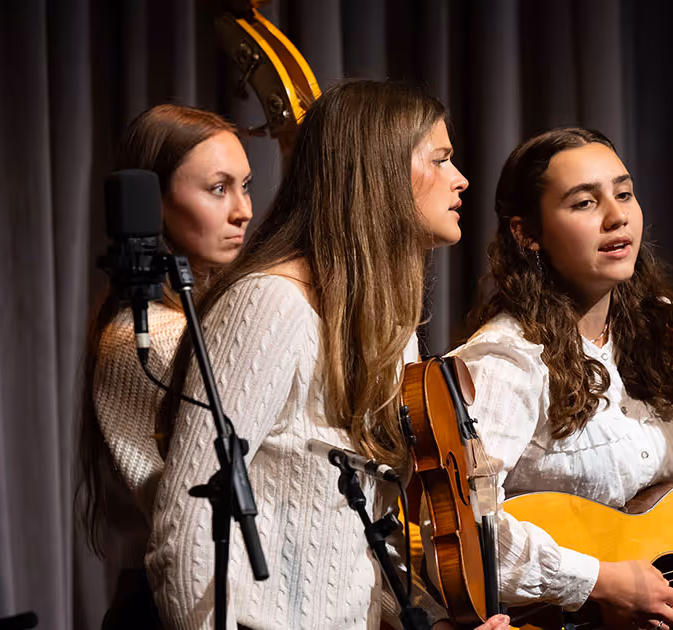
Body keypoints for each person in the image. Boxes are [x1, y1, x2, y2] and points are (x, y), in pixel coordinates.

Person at [147, 80, 507, 630]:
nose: (462, 180)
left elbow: (355, 541)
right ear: (379, 171)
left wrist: (430, 623)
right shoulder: (269, 303)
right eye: (441, 159)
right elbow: (189, 521)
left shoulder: (386, 327)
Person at [454, 127, 673, 628]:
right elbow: (464, 532)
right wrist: (600, 581)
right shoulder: (506, 361)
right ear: (527, 234)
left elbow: (664, 522)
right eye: (585, 203)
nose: (617, 215)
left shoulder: (647, 338)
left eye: (624, 193)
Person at [78, 104, 253, 627]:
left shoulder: (199, 319)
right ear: (152, 204)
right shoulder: (149, 337)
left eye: (246, 185)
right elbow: (182, 509)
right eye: (218, 189)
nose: (243, 210)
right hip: (170, 608)